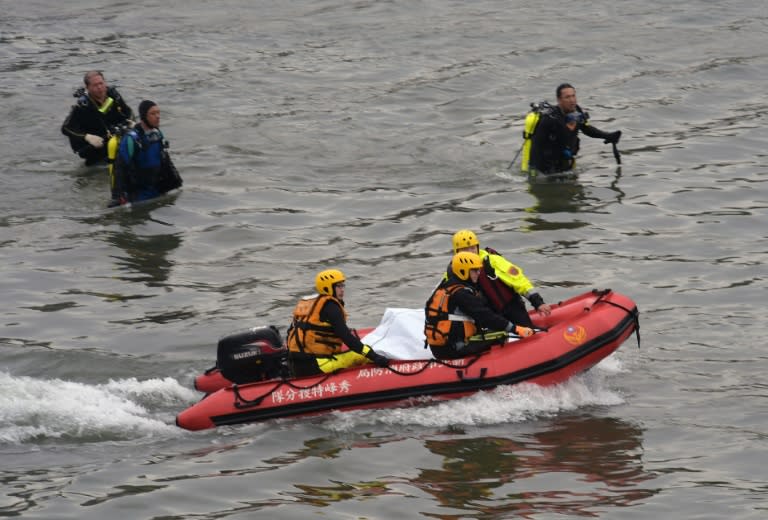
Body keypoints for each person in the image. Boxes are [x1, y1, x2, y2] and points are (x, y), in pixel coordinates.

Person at [425, 252, 534, 360]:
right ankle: (498, 365)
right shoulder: (461, 294)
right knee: (501, 335)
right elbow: (486, 316)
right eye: (475, 270)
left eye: (479, 269)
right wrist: (516, 328)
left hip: (441, 347)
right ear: (463, 271)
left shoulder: (446, 288)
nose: (478, 273)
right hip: (455, 348)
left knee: (491, 330)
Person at [286, 269, 390, 377]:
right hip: (317, 366)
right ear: (328, 287)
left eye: (343, 286)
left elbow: (290, 333)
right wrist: (375, 356)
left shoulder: (308, 304)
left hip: (296, 365)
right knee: (361, 356)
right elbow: (348, 339)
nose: (342, 290)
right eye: (339, 286)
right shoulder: (331, 307)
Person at [451, 229, 552, 328]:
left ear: (477, 247)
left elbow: (519, 281)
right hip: (488, 316)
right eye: (465, 249)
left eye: (472, 248)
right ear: (457, 252)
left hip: (511, 308)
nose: (470, 252)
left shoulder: (493, 261)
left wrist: (537, 302)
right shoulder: (454, 271)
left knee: (527, 331)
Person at [528, 83, 621, 174]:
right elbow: (538, 147)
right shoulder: (550, 119)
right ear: (559, 100)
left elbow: (586, 129)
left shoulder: (576, 110)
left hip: (565, 165)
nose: (572, 100)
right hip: (546, 170)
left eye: (573, 96)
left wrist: (607, 135)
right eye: (567, 97)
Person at [108, 100, 183, 207]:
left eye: (158, 113)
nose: (157, 116)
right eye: (153, 113)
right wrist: (117, 197)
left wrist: (176, 181)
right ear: (143, 116)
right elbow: (120, 169)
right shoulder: (131, 139)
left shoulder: (158, 134)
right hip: (137, 197)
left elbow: (165, 160)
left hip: (156, 191)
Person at [61, 71, 134, 165]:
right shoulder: (82, 106)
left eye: (101, 83)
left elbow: (128, 112)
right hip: (95, 149)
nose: (99, 87)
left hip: (115, 141)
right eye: (95, 85)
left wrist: (131, 122)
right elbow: (65, 128)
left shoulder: (113, 95)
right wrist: (87, 137)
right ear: (88, 88)